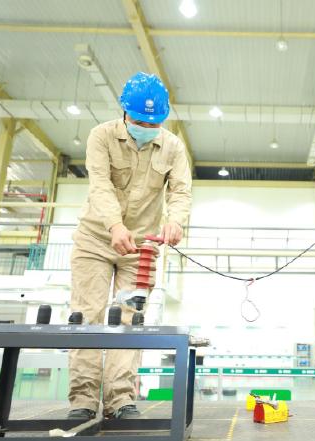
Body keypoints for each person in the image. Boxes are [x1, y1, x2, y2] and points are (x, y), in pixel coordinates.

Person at [67, 72, 192, 420]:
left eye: (154, 123)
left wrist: (176, 220)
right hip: (95, 239)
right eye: (140, 122)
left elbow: (180, 191)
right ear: (124, 113)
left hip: (140, 249)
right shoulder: (101, 136)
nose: (147, 128)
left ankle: (120, 399)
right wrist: (114, 225)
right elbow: (100, 185)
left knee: (129, 318)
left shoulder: (173, 147)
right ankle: (83, 399)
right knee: (87, 315)